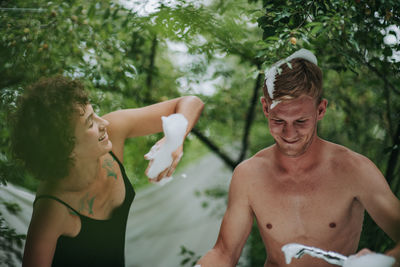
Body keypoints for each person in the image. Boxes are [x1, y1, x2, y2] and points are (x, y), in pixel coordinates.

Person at [197, 49, 400, 267]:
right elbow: (224, 253)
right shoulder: (249, 175)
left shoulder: (354, 169)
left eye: (301, 121)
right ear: (265, 108)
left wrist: (383, 261)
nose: (289, 134)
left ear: (320, 110)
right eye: (278, 121)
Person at [10, 75, 204, 267]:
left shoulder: (114, 131)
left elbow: (192, 102)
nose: (104, 123)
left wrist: (175, 138)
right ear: (65, 147)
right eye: (90, 123)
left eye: (94, 114)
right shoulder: (51, 210)